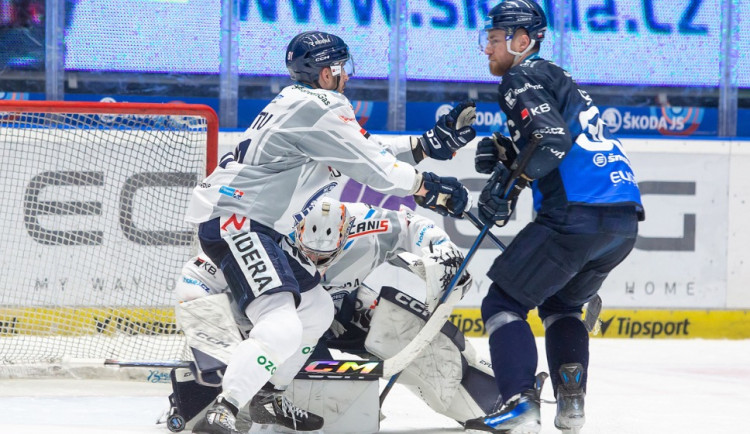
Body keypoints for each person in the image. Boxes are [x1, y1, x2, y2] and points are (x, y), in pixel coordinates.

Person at [183, 30, 477, 434]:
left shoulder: (302, 105)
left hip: (255, 223)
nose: (347, 77)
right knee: (281, 324)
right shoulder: (322, 107)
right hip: (239, 219)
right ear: (327, 72)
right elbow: (374, 167)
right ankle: (225, 409)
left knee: (317, 308)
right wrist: (426, 187)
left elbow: (360, 151)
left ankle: (269, 392)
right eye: (342, 68)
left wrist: (426, 146)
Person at [464, 1, 645, 433]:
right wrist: (511, 159)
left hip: (576, 215)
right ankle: (571, 406)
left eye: (493, 39)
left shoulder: (520, 75)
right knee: (563, 305)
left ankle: (521, 405)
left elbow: (549, 140)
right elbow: (557, 140)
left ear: (522, 41)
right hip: (621, 220)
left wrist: (508, 184)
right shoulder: (558, 78)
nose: (486, 49)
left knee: (503, 302)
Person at [176, 197, 498, 430]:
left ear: (345, 236)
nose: (316, 265)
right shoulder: (270, 227)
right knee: (299, 381)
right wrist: (216, 343)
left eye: (324, 257)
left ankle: (484, 401)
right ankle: (233, 402)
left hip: (338, 307)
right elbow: (197, 277)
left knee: (401, 324)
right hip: (274, 318)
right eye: (309, 255)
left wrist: (440, 248)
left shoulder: (365, 224)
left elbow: (412, 223)